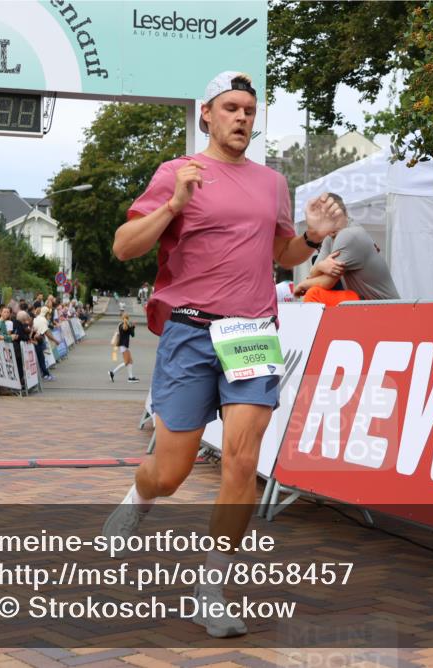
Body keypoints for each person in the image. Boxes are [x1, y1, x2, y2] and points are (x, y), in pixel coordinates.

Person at [104, 70, 345, 638]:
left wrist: (309, 238)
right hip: (189, 330)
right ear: (207, 114)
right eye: (231, 108)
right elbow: (123, 246)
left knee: (242, 461)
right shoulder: (176, 173)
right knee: (172, 471)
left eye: (249, 109)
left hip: (253, 332)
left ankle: (210, 590)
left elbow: (280, 251)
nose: (242, 117)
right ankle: (140, 494)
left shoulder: (272, 183)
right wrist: (174, 205)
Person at [294, 193, 400, 306]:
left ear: (344, 213)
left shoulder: (349, 235)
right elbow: (313, 276)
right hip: (366, 305)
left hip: (385, 307)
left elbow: (327, 282)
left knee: (314, 294)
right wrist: (320, 266)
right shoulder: (330, 237)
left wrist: (303, 284)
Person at [108, 311, 138, 383]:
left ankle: (130, 377)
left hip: (122, 345)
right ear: (128, 318)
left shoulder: (120, 325)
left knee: (130, 361)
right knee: (127, 362)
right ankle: (112, 373)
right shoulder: (128, 325)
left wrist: (132, 327)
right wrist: (133, 327)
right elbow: (133, 335)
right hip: (124, 346)